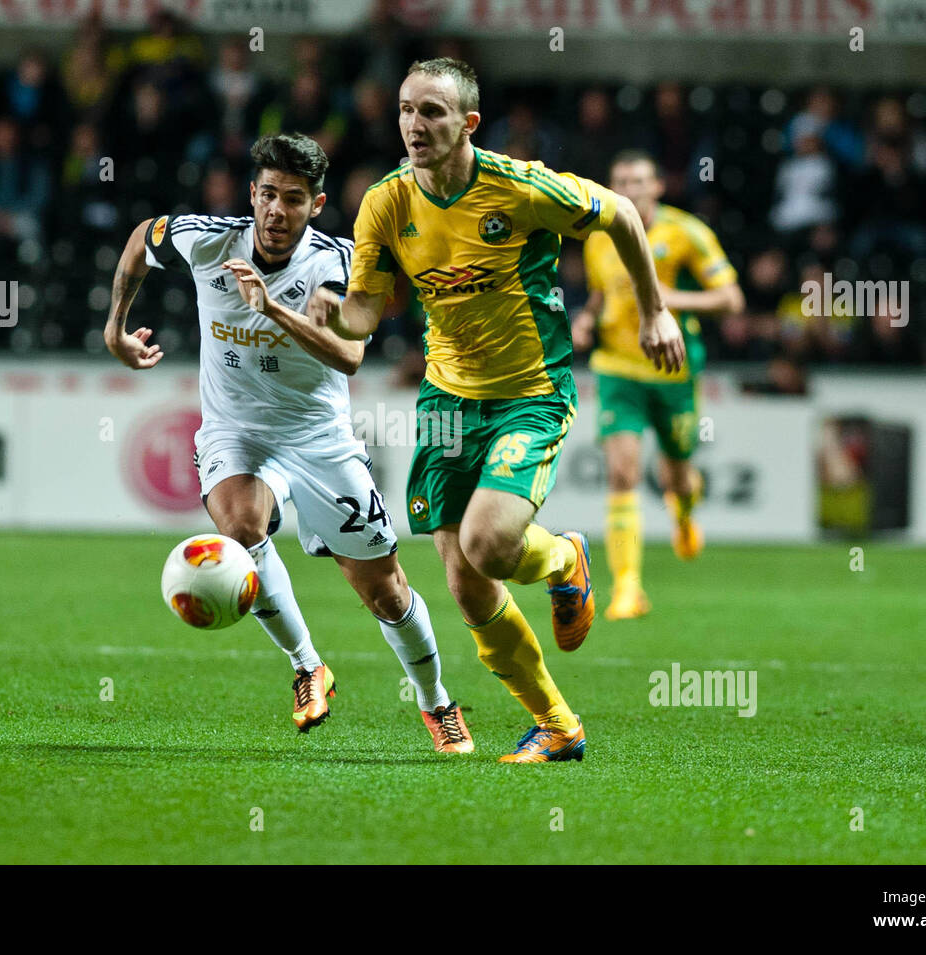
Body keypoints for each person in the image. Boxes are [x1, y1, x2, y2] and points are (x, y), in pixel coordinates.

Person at [309, 58, 685, 763]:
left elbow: (624, 213)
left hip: (529, 394)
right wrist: (338, 312)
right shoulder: (386, 203)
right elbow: (363, 315)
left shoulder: (520, 186)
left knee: (488, 543)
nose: (414, 126)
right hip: (447, 399)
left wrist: (655, 310)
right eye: (405, 110)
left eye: (432, 113)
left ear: (468, 124)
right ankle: (558, 725)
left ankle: (563, 556)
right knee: (463, 577)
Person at [103, 133, 473, 753]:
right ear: (252, 194)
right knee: (241, 532)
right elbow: (144, 237)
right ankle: (307, 666)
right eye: (268, 195)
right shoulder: (207, 239)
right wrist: (115, 328)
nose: (277, 211)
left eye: (293, 199)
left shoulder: (340, 264)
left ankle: (437, 703)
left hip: (319, 439)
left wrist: (273, 308)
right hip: (235, 430)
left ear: (317, 203)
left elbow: (352, 357)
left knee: (384, 591)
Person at [572, 151, 744, 620]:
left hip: (673, 369)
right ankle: (628, 589)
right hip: (617, 368)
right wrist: (586, 320)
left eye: (640, 180)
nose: (630, 189)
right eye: (621, 180)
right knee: (622, 474)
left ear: (659, 186)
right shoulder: (599, 237)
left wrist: (673, 300)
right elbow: (600, 293)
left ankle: (684, 509)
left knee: (676, 475)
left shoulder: (687, 232)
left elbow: (732, 299)